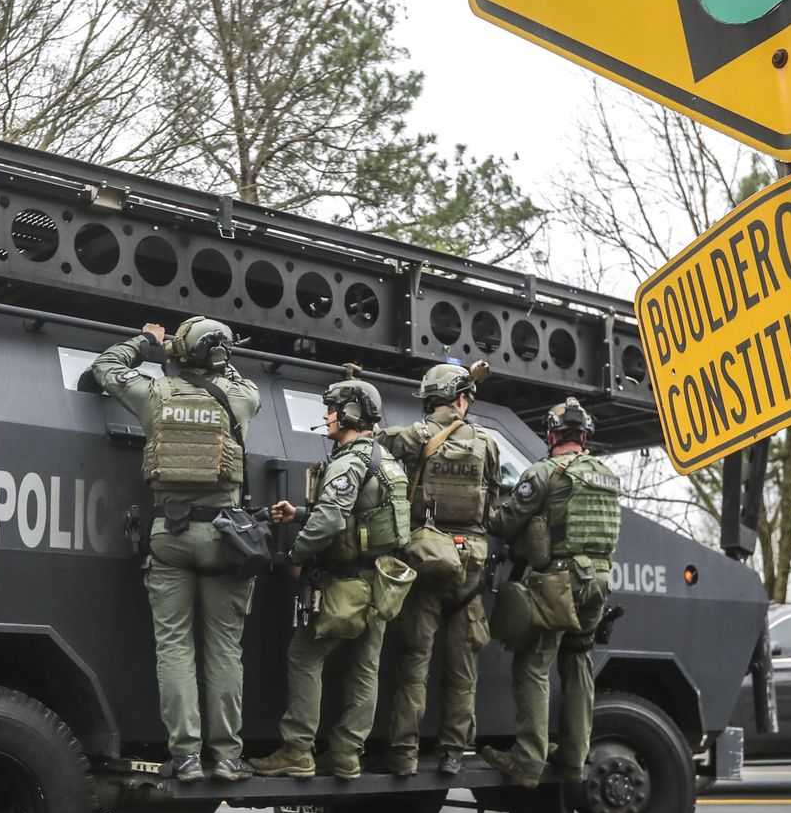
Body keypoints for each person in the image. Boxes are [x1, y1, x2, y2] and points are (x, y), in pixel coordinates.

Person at [92, 317, 261, 782]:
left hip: (171, 536)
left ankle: (185, 757)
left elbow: (106, 367)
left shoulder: (156, 393)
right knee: (226, 651)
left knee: (174, 648)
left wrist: (148, 341)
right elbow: (239, 379)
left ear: (182, 353)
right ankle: (227, 756)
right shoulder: (243, 398)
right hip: (227, 540)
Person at [250, 371, 411, 780]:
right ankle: (345, 754)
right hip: (380, 582)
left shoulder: (349, 461)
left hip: (345, 583)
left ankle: (298, 749)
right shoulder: (387, 461)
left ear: (351, 413)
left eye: (333, 409)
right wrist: (300, 512)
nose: (327, 416)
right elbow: (365, 516)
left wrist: (294, 553)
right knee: (364, 667)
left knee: (303, 655)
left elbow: (329, 521)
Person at [480, 397, 622, 788]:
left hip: (561, 581)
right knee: (577, 663)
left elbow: (508, 522)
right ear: (586, 436)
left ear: (552, 433)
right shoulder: (607, 476)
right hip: (600, 582)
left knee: (532, 664)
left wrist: (486, 513)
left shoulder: (545, 473)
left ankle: (527, 761)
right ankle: (575, 759)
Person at [375, 362, 499, 776]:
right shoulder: (487, 442)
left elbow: (374, 445)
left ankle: (404, 754)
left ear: (431, 399)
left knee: (414, 663)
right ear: (462, 398)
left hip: (428, 559)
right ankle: (451, 754)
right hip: (471, 568)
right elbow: (493, 502)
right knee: (463, 667)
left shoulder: (416, 436)